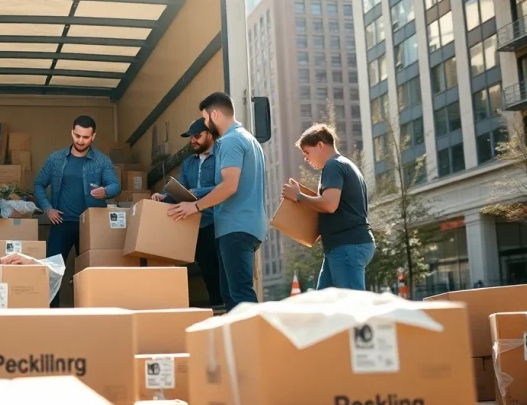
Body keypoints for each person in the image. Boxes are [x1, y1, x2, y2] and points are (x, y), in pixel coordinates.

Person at [169, 92, 266, 311]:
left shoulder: (230, 142)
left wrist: (194, 206)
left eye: (205, 119)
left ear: (214, 114)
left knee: (239, 294)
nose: (205, 123)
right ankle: (238, 343)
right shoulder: (249, 140)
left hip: (235, 227)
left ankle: (253, 344)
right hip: (246, 226)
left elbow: (229, 186)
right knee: (230, 293)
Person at [34, 115, 121, 307]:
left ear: (93, 137)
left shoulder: (101, 161)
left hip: (90, 226)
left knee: (91, 272)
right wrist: (48, 209)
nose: (80, 141)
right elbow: (39, 184)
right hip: (61, 223)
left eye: (85, 137)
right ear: (71, 132)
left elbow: (116, 185)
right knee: (51, 272)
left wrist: (105, 191)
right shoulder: (56, 158)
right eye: (77, 135)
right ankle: (52, 314)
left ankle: (90, 313)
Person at [281, 124, 375, 291]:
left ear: (320, 145)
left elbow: (329, 204)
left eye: (307, 152)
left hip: (347, 247)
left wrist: (298, 196)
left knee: (352, 309)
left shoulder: (333, 165)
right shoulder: (346, 165)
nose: (306, 158)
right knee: (325, 307)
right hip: (341, 247)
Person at [151, 118, 224, 309]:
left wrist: (196, 193)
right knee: (208, 274)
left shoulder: (222, 158)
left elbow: (223, 187)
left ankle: (231, 314)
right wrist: (164, 196)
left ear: (210, 134)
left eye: (197, 136)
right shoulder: (188, 163)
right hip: (195, 225)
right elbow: (181, 189)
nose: (193, 141)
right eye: (191, 137)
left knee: (224, 274)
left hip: (216, 222)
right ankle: (218, 313)